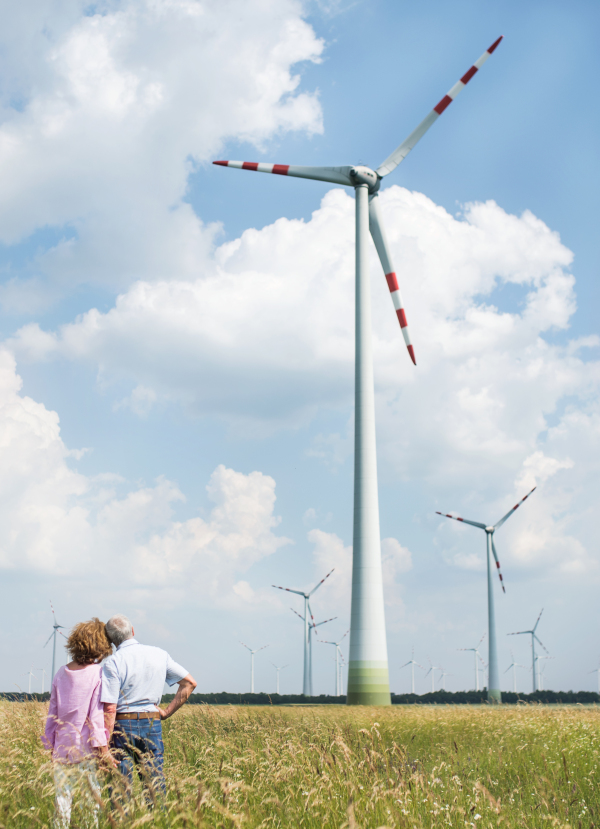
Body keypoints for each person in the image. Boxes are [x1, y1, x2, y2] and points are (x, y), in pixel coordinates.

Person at [101, 614, 197, 802]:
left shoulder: (112, 662)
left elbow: (110, 708)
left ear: (110, 640)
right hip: (151, 722)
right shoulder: (159, 654)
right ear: (133, 630)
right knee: (155, 788)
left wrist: (103, 745)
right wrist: (167, 712)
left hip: (122, 725)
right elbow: (190, 683)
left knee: (121, 790)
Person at [42, 617, 115, 829]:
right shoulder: (97, 673)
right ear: (99, 646)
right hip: (87, 749)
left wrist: (50, 745)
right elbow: (95, 717)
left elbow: (52, 714)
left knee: (62, 801)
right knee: (91, 802)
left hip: (62, 748)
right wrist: (103, 750)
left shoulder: (60, 673)